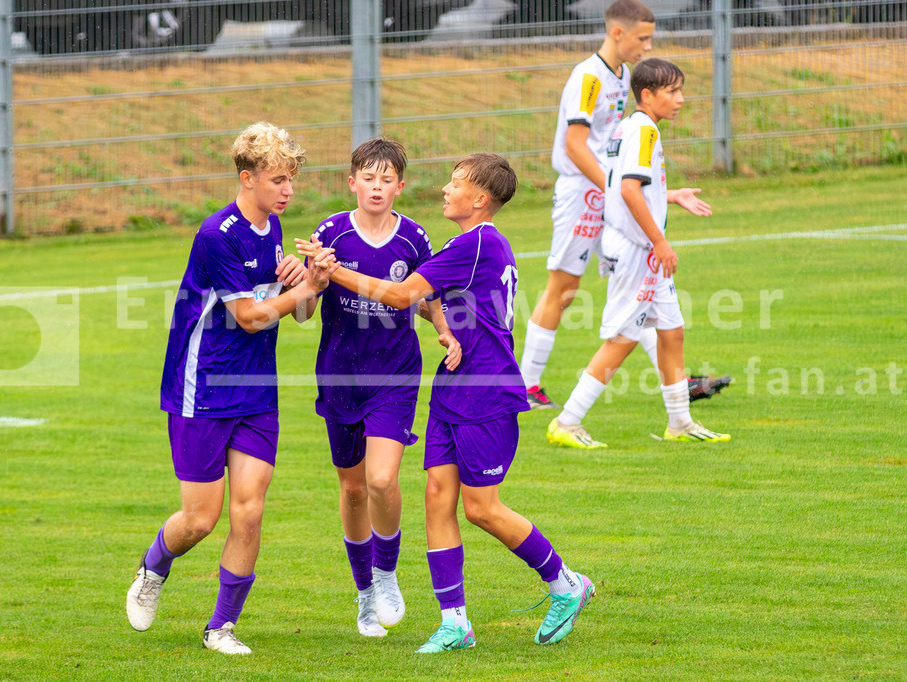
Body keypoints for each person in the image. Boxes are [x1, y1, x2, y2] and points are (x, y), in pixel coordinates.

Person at [299, 153, 595, 653]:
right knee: (438, 496)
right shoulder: (468, 244)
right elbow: (431, 303)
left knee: (482, 508)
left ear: (479, 199)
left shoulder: (478, 243)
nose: (445, 189)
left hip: (486, 390)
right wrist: (444, 330)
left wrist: (335, 270)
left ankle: (566, 583)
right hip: (452, 386)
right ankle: (455, 622)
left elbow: (400, 296)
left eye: (455, 183)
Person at [125, 122, 331, 655]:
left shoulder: (275, 229)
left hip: (257, 392)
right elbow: (249, 318)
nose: (289, 191)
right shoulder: (218, 234)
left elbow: (302, 314)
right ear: (248, 179)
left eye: (292, 180)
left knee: (250, 510)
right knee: (200, 518)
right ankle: (154, 567)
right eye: (279, 180)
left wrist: (314, 285)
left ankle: (221, 626)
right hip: (203, 389)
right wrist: (300, 289)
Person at [517, 0, 729, 411]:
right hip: (582, 194)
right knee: (563, 289)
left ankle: (679, 383)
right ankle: (526, 385)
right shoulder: (588, 77)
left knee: (640, 283)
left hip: (609, 194)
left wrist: (651, 193)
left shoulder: (625, 75)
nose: (647, 47)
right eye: (642, 38)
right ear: (618, 33)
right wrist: (616, 189)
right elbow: (574, 147)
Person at [310, 137, 461, 638]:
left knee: (380, 479)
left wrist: (442, 327)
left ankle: (386, 572)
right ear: (352, 182)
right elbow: (306, 309)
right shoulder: (330, 234)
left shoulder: (414, 238)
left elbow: (424, 293)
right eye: (367, 178)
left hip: (395, 374)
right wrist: (312, 282)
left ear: (401, 185)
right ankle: (364, 595)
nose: (377, 187)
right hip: (339, 373)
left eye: (386, 179)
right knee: (352, 490)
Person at [547, 59, 730, 450]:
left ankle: (680, 421)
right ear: (648, 95)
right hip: (637, 250)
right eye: (673, 92)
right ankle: (567, 421)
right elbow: (629, 190)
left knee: (671, 329)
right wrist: (660, 242)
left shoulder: (629, 126)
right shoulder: (644, 131)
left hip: (637, 248)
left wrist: (670, 195)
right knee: (624, 337)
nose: (680, 99)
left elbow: (622, 185)